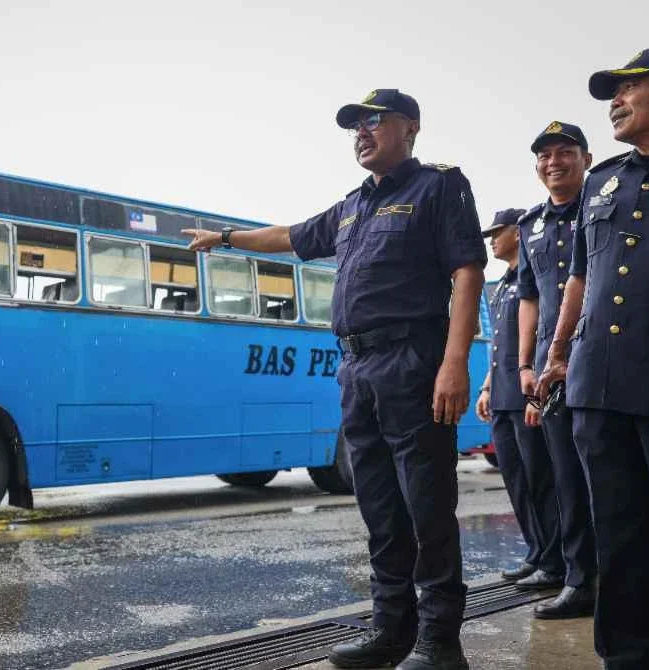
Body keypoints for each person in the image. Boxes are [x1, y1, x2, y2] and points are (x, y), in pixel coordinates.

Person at [184, 88, 486, 670]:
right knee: (378, 507)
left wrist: (455, 363)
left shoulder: (439, 187)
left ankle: (440, 642)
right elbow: (289, 236)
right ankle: (391, 631)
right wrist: (224, 239)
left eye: (374, 122)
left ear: (411, 128)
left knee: (426, 506)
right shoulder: (351, 206)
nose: (362, 134)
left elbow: (467, 272)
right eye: (355, 127)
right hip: (357, 368)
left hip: (413, 363)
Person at [537, 44, 649, 669]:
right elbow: (579, 281)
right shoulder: (604, 180)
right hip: (598, 386)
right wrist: (558, 353)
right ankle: (627, 659)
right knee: (619, 542)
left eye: (629, 87)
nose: (616, 102)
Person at [514, 121, 598, 618]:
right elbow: (528, 297)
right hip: (551, 368)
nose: (554, 162)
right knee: (565, 476)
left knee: (619, 476)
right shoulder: (530, 226)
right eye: (544, 156)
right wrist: (527, 363)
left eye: (564, 152)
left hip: (603, 355)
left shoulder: (606, 203)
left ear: (586, 158)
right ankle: (580, 579)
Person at [475, 208, 561, 587]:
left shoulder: (534, 281)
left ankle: (555, 560)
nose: (493, 239)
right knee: (516, 479)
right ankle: (535, 552)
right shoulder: (500, 286)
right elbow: (499, 345)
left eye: (498, 232)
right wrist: (486, 387)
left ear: (518, 232)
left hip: (526, 394)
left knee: (541, 479)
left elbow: (540, 335)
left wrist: (537, 395)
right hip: (502, 397)